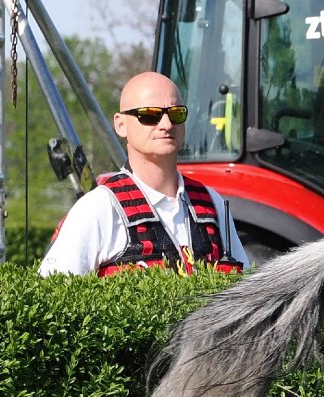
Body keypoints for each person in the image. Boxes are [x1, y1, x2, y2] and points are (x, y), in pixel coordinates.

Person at [40, 71, 251, 277]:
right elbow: (52, 296)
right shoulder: (98, 208)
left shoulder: (212, 204)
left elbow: (245, 288)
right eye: (150, 115)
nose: (167, 125)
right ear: (120, 124)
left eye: (177, 113)